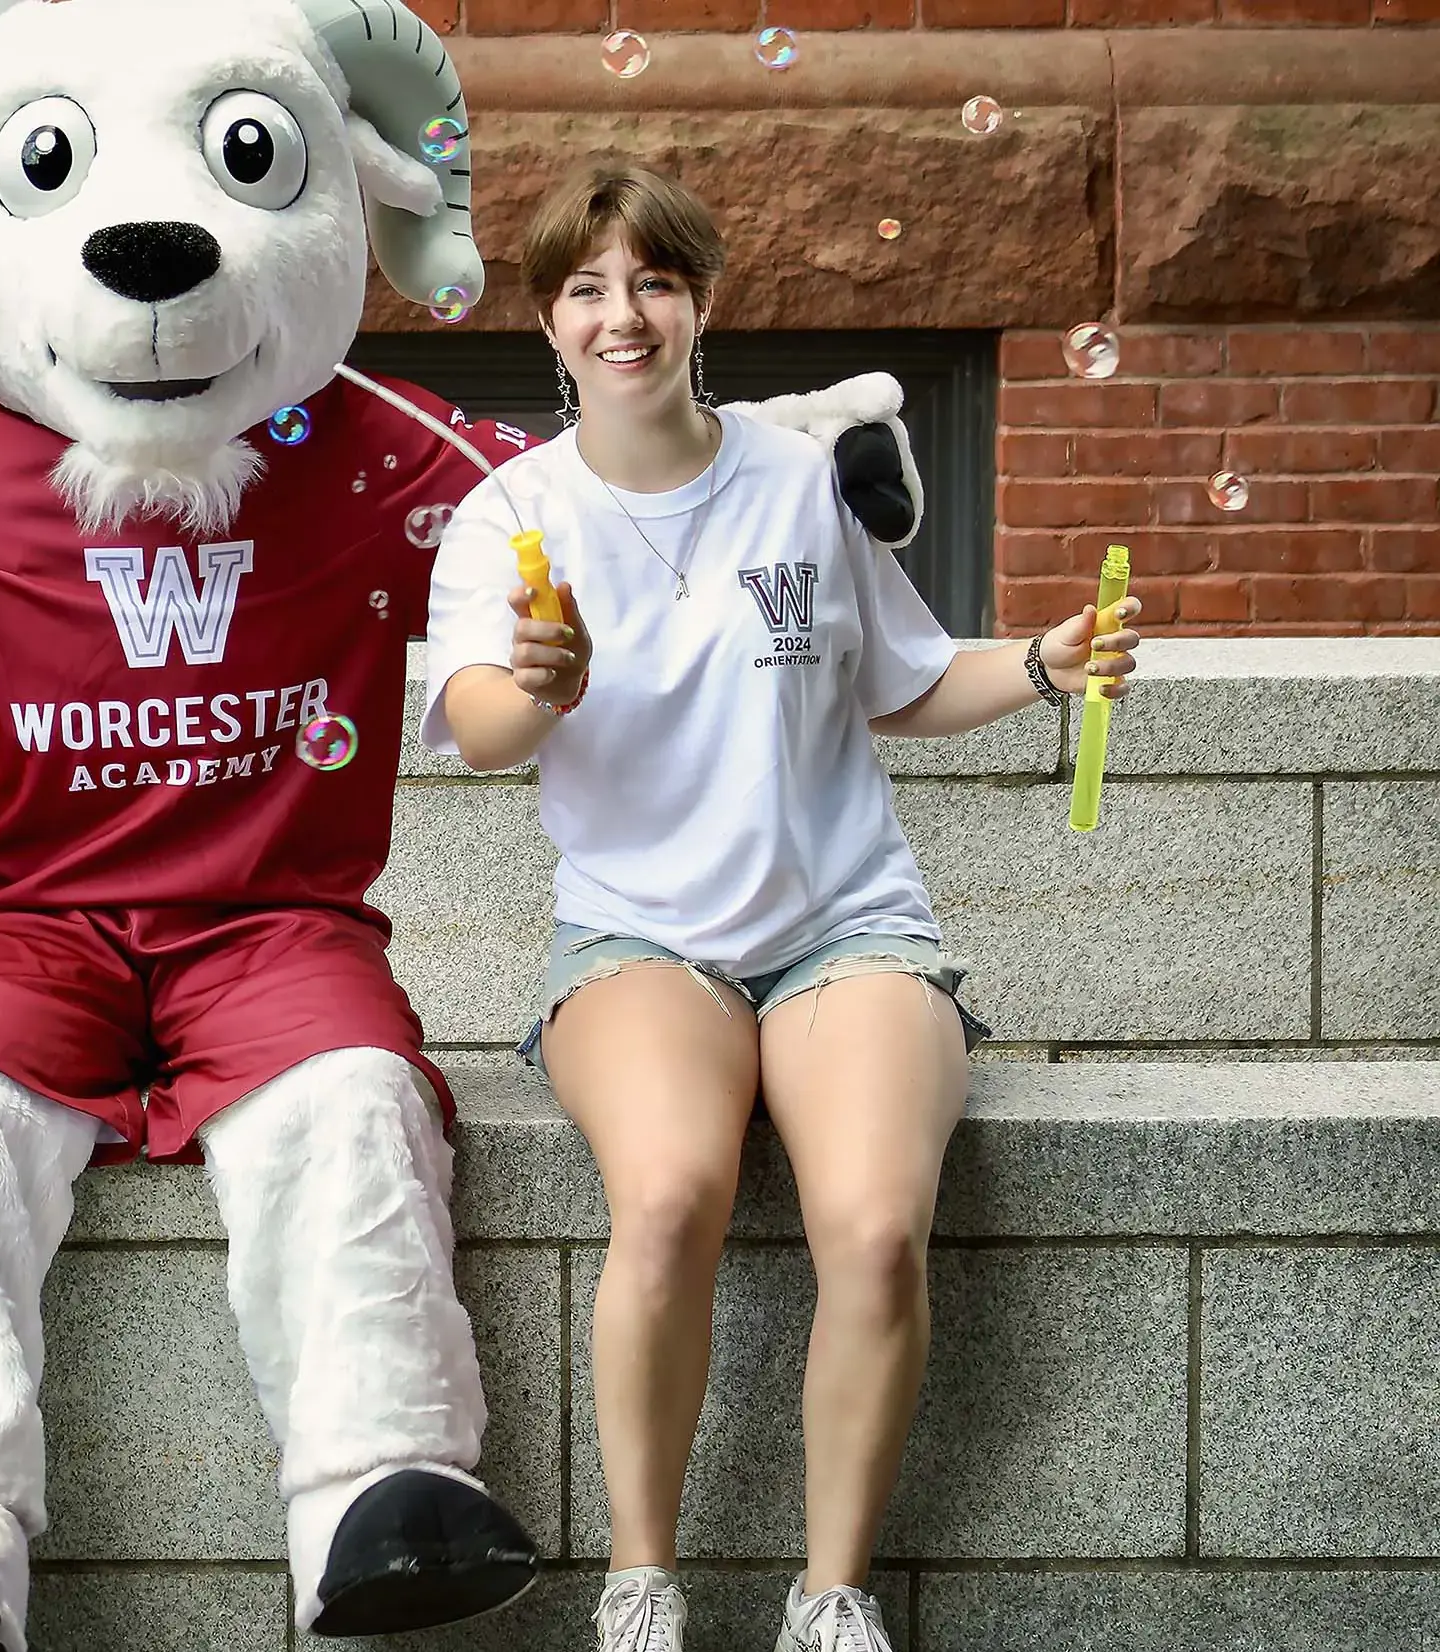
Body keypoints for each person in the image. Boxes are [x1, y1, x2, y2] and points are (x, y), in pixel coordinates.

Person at [421, 165, 1144, 1652]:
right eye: (584, 290)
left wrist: (1050, 667)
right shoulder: (511, 518)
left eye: (653, 282)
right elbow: (479, 722)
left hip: (846, 928)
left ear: (701, 303)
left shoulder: (804, 476)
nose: (623, 316)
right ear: (548, 326)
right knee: (674, 1190)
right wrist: (540, 687)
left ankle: (831, 1597)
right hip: (641, 938)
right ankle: (643, 1580)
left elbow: (907, 682)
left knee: (877, 1225)